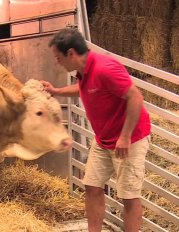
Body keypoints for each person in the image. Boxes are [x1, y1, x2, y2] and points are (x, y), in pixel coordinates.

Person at [41, 28, 151, 232]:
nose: (57, 62)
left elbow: (136, 97)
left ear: (71, 54)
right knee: (92, 186)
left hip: (130, 139)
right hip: (104, 140)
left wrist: (125, 137)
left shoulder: (104, 68)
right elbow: (83, 89)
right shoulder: (84, 72)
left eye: (58, 58)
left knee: (128, 195)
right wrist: (56, 91)